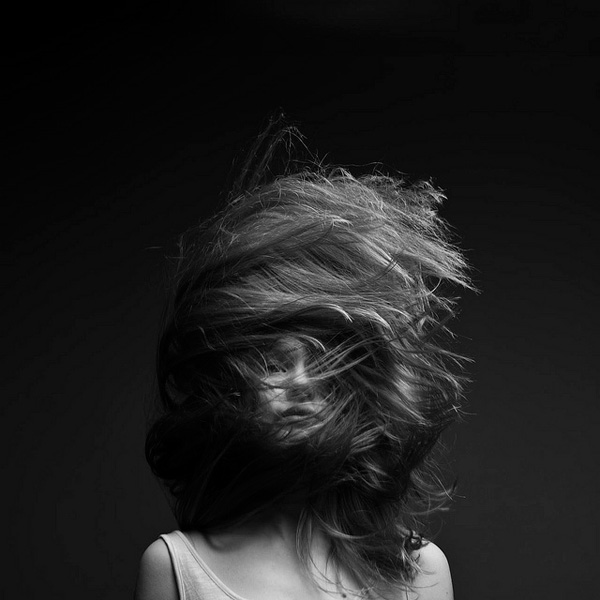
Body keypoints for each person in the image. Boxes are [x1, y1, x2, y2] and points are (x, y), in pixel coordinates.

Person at [135, 126, 471, 600]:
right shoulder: (175, 567)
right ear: (231, 385)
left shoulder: (420, 571)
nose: (301, 384)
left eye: (325, 363)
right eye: (274, 364)